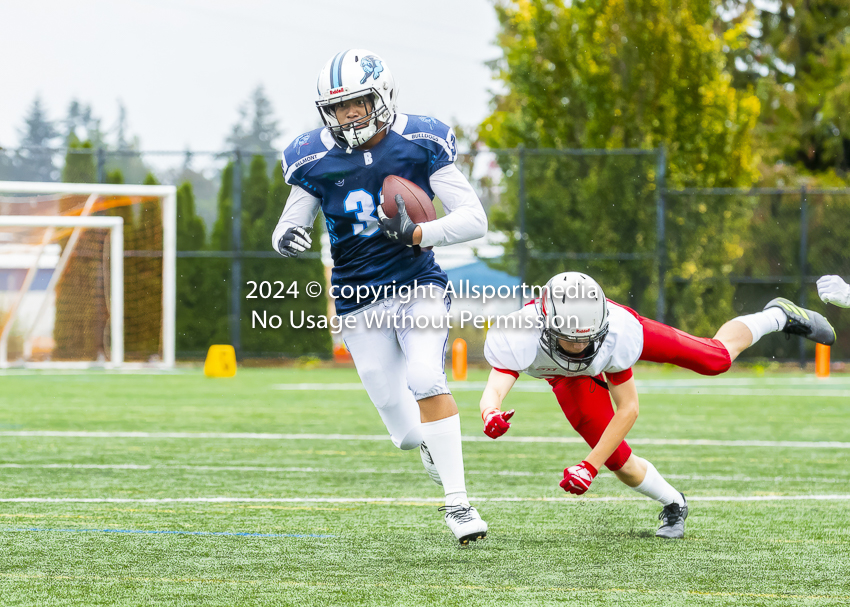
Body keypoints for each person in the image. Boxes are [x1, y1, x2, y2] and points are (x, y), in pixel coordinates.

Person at [272, 49, 489, 545]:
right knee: (408, 434)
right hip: (357, 300)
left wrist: (417, 234)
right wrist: (287, 238)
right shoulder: (313, 157)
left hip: (417, 283)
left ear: (383, 94)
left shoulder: (419, 141)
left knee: (426, 375)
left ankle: (458, 503)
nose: (349, 114)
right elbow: (289, 222)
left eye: (359, 102)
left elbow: (475, 219)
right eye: (340, 105)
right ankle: (433, 447)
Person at [479, 271, 836, 539]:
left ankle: (777, 315)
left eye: (588, 338)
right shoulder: (519, 332)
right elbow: (495, 387)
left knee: (715, 360)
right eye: (571, 340)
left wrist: (589, 466)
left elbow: (629, 408)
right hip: (563, 379)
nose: (581, 348)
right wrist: (490, 413)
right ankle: (674, 502)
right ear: (546, 325)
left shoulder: (617, 332)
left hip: (612, 348)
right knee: (620, 462)